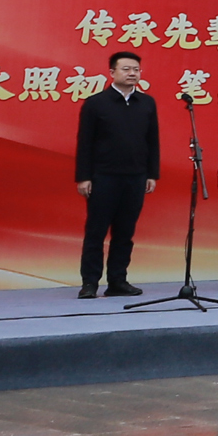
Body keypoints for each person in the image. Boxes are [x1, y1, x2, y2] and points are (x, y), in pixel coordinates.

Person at [73, 49, 161, 298]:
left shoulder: (147, 103)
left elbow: (152, 140)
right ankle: (90, 283)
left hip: (135, 177)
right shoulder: (96, 103)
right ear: (112, 72)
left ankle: (117, 281)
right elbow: (85, 142)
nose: (132, 73)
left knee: (125, 233)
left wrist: (151, 174)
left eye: (136, 70)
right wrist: (84, 177)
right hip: (103, 176)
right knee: (96, 231)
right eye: (126, 69)